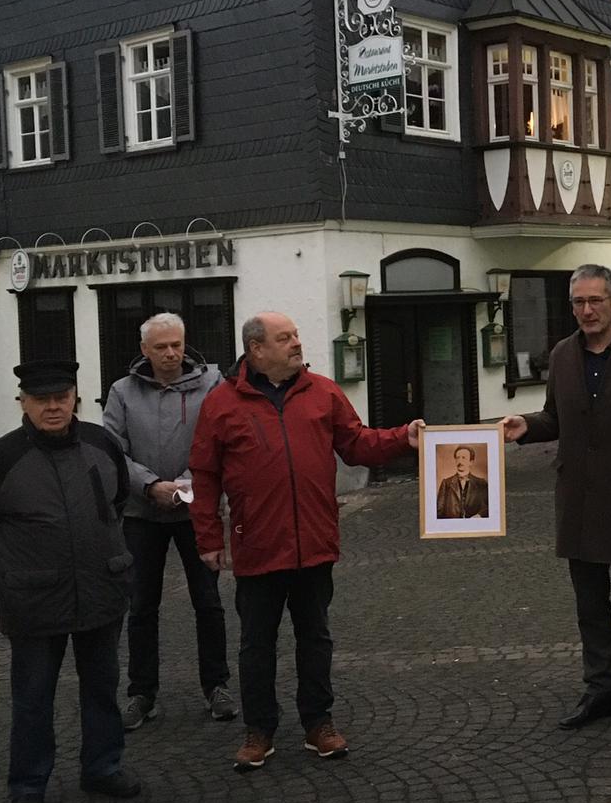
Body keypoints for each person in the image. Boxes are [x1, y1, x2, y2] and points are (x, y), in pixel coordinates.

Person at [189, 312, 424, 771]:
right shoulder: (221, 404)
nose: (297, 343)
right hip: (258, 545)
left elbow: (356, 445)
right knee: (257, 644)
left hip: (314, 542)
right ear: (257, 349)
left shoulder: (323, 392)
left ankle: (319, 723)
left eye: (296, 335)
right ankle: (260, 730)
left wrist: (403, 437)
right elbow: (204, 474)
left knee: (315, 638)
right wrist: (207, 537)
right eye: (285, 338)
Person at [0, 360, 141, 803]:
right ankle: (29, 784)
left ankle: (103, 766)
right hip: (34, 601)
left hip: (100, 590)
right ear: (23, 402)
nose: (53, 407)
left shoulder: (102, 444)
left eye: (62, 397)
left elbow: (116, 503)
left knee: (103, 686)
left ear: (75, 396)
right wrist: (4, 575)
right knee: (34, 696)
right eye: (42, 400)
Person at [501, 265, 611, 732]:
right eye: (578, 303)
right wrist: (526, 426)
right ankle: (598, 690)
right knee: (590, 608)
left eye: (595, 301)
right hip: (579, 503)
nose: (586, 310)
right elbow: (554, 417)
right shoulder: (562, 355)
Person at [102, 312, 234, 731]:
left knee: (208, 603)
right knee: (141, 606)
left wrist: (189, 485)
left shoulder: (212, 386)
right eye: (161, 347)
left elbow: (222, 442)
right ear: (144, 350)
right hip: (141, 515)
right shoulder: (122, 392)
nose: (171, 353)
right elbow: (112, 450)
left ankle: (217, 686)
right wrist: (151, 485)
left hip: (197, 512)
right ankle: (142, 692)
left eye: (176, 344)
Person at [436, 445, 489, 518]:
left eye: (463, 458)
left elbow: (488, 507)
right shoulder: (446, 483)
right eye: (457, 458)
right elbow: (439, 511)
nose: (460, 461)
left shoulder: (481, 483)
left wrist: (479, 515)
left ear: (471, 462)